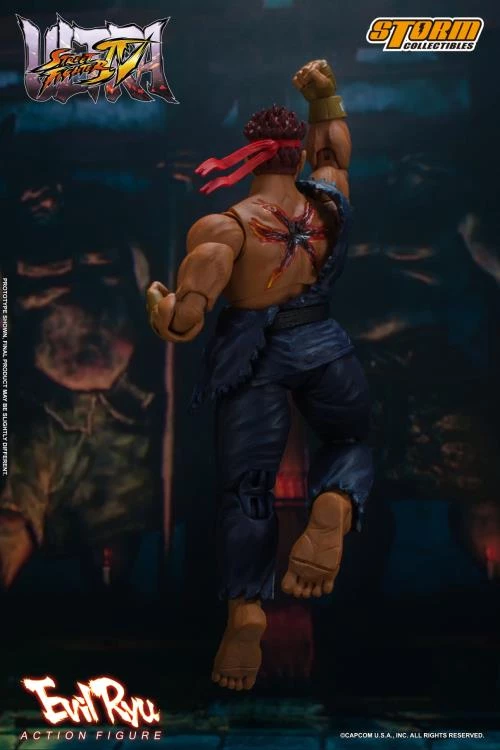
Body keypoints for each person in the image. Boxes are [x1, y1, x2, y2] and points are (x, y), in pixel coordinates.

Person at [147, 59, 373, 691]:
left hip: (255, 358)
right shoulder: (328, 203)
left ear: (250, 155)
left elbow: (185, 321)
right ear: (297, 153)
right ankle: (335, 503)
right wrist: (325, 96)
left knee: (247, 488)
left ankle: (246, 607)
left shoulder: (227, 226)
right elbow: (335, 152)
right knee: (349, 439)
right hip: (322, 341)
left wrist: (163, 306)